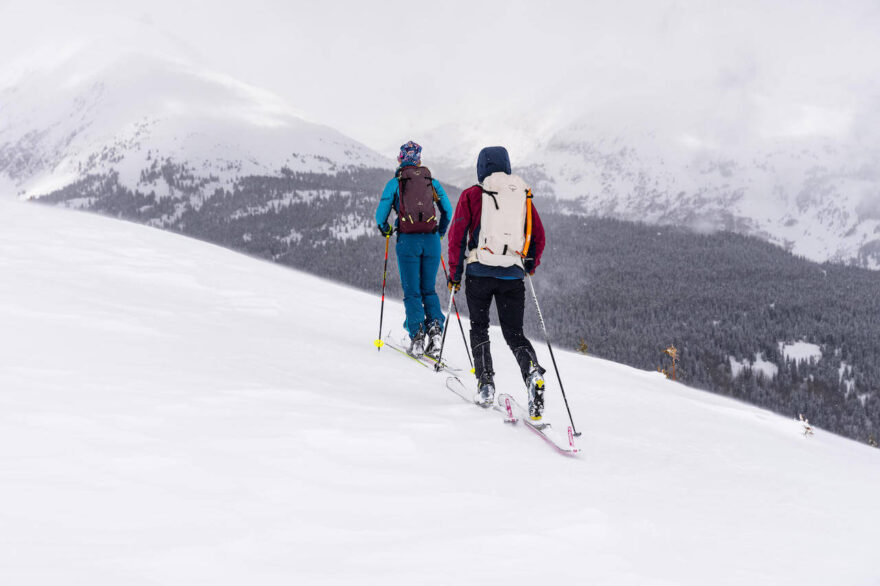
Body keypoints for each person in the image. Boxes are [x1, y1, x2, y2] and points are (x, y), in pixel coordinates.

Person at [446, 146, 548, 420]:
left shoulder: (472, 195)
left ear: (481, 167)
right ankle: (532, 373)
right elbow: (538, 235)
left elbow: (456, 236)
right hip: (512, 275)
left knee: (480, 328)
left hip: (479, 272)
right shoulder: (522, 196)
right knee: (514, 332)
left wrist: (455, 275)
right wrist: (529, 264)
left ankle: (486, 384)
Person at [376, 141, 453, 358]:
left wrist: (387, 229)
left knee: (412, 291)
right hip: (431, 241)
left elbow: (380, 216)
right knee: (429, 289)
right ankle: (435, 331)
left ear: (401, 158)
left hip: (408, 241)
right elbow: (447, 209)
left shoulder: (396, 182)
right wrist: (440, 231)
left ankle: (417, 335)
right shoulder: (431, 181)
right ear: (419, 159)